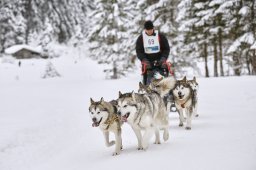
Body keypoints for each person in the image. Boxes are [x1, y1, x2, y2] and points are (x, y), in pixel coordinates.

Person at [136, 20, 170, 85]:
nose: (149, 31)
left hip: (160, 60)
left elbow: (166, 48)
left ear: (153, 28)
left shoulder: (160, 36)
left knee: (165, 72)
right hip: (148, 61)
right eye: (147, 30)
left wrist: (163, 58)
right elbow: (139, 51)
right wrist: (144, 59)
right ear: (145, 29)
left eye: (151, 30)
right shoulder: (141, 38)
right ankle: (147, 88)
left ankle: (167, 90)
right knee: (147, 75)